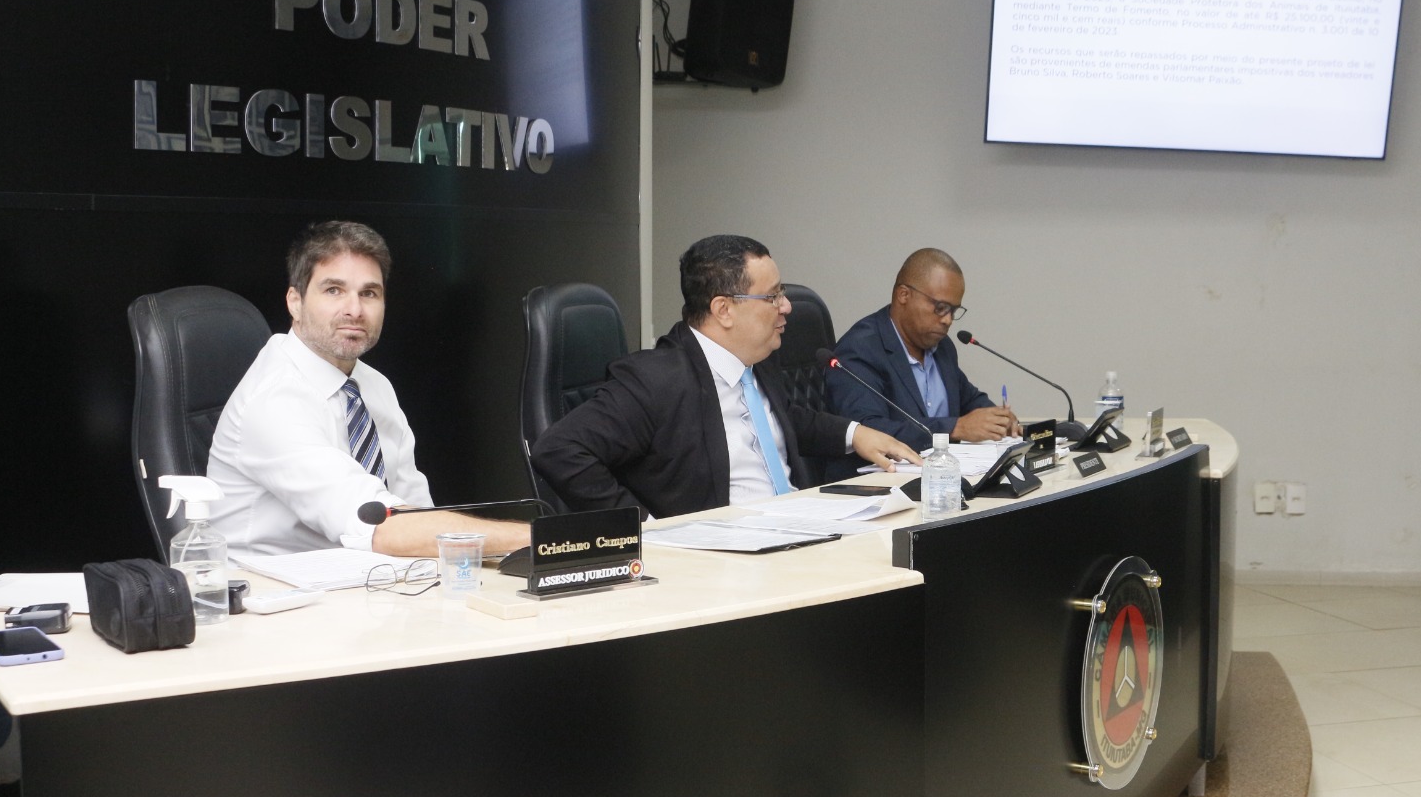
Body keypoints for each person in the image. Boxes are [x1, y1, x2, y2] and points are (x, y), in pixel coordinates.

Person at [530, 234, 921, 518]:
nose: (786, 306)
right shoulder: (655, 379)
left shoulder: (757, 360)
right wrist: (642, 530)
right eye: (772, 296)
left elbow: (781, 418)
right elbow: (559, 450)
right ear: (724, 310)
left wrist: (856, 434)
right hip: (725, 562)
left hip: (797, 529)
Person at [207, 221, 529, 557]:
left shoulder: (372, 385)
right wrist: (535, 539)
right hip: (273, 586)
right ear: (295, 302)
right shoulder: (273, 400)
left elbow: (416, 512)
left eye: (369, 293)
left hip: (366, 579)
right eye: (334, 290)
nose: (355, 310)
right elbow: (376, 524)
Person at [825, 248, 1019, 478]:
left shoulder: (942, 347)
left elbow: (968, 398)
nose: (947, 320)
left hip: (939, 480)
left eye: (954, 311)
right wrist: (954, 429)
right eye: (940, 308)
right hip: (878, 485)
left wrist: (997, 418)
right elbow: (868, 429)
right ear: (904, 295)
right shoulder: (861, 348)